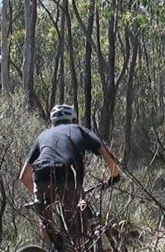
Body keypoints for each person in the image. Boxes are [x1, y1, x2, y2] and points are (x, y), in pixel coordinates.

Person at [19, 104, 120, 249]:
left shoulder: (43, 135)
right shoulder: (78, 129)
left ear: (52, 122)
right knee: (73, 227)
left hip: (41, 176)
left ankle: (49, 247)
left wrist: (39, 198)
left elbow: (24, 176)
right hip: (67, 174)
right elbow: (105, 151)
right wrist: (115, 176)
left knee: (45, 221)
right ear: (73, 119)